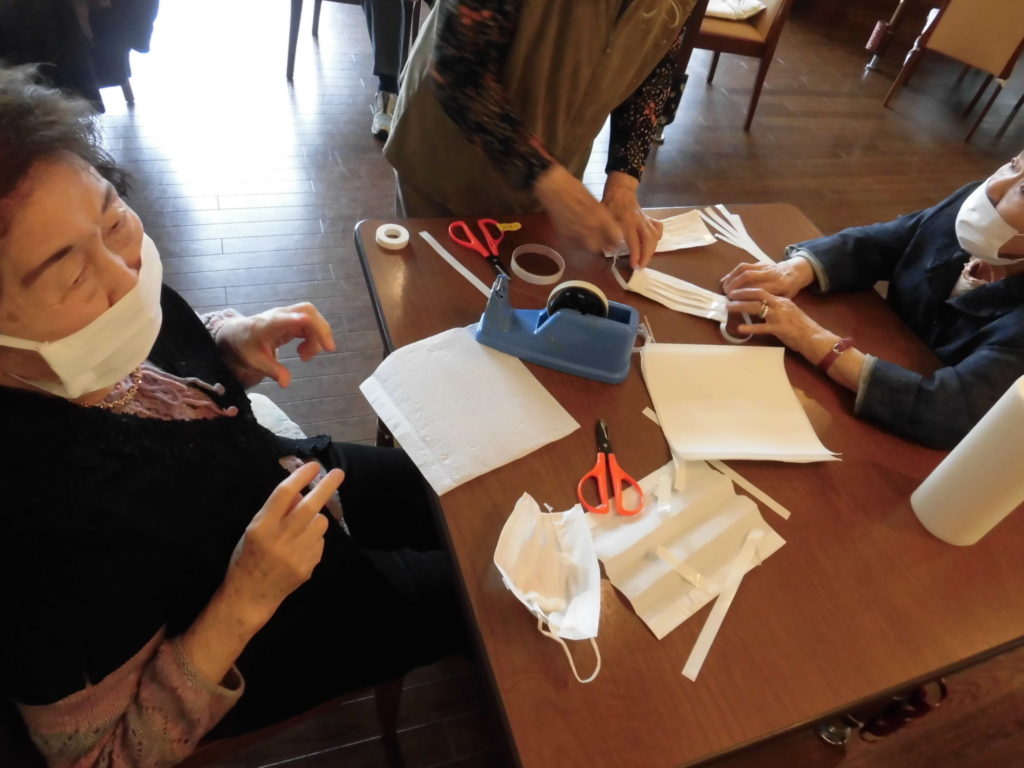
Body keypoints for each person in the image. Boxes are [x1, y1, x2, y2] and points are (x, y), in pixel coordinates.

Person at [0, 65, 466, 767]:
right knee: (484, 595)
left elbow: (150, 371)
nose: (128, 275)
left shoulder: (89, 322)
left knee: (459, 488)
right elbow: (97, 758)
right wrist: (244, 600)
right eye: (69, 273)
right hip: (276, 623)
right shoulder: (33, 532)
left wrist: (224, 340)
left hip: (280, 478)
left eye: (114, 217)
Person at [721, 152, 1024, 449]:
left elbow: (949, 411)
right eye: (1013, 165)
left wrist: (811, 338)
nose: (993, 186)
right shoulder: (971, 205)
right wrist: (798, 268)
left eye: (1023, 190)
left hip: (912, 450)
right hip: (881, 356)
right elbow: (892, 239)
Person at [384, 0, 698, 269]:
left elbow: (655, 53)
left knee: (520, 302)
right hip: (449, 156)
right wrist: (547, 179)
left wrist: (623, 182)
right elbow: (460, 66)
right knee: (435, 296)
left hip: (555, 166)